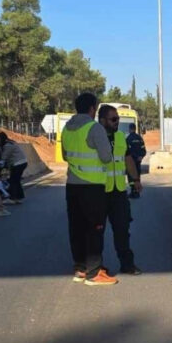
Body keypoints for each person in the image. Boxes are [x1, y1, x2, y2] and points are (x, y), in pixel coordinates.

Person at [62, 93, 118, 286]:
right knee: (95, 229)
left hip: (72, 185)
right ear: (93, 109)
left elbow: (65, 156)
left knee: (76, 228)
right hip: (92, 187)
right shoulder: (94, 128)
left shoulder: (67, 128)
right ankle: (94, 274)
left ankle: (80, 269)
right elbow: (105, 157)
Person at [98, 104, 143, 276]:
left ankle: (127, 265)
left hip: (118, 192)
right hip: (100, 191)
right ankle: (97, 267)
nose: (117, 122)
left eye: (118, 119)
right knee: (97, 232)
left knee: (123, 230)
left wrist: (135, 179)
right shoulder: (95, 137)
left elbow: (128, 159)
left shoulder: (120, 137)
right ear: (103, 120)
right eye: (114, 119)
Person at [0, 132, 28, 205]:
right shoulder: (10, 143)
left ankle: (12, 198)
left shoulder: (7, 146)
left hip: (18, 163)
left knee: (13, 181)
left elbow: (3, 158)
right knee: (16, 181)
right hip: (21, 162)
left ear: (2, 138)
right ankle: (19, 197)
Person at [125, 124, 146, 199]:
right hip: (138, 161)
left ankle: (133, 191)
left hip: (131, 161)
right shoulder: (140, 138)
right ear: (135, 128)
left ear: (130, 129)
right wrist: (141, 156)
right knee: (137, 176)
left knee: (131, 176)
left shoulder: (128, 139)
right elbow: (143, 150)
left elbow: (126, 152)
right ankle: (137, 192)